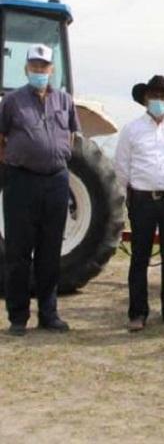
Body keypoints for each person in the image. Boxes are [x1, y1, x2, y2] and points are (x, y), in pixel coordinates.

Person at [0, 44, 79, 336]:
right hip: (21, 181)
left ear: (52, 69)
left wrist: (55, 158)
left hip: (57, 180)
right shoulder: (11, 101)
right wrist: (15, 160)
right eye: (34, 66)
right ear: (26, 69)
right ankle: (18, 318)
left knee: (50, 251)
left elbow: (70, 136)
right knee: (19, 251)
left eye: (43, 67)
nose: (39, 71)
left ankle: (49, 314)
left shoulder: (65, 101)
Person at [114, 75, 164, 332]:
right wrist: (130, 193)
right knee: (140, 257)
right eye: (153, 96)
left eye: (162, 96)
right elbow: (121, 166)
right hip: (142, 199)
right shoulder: (131, 129)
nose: (158, 101)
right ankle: (138, 313)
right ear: (145, 99)